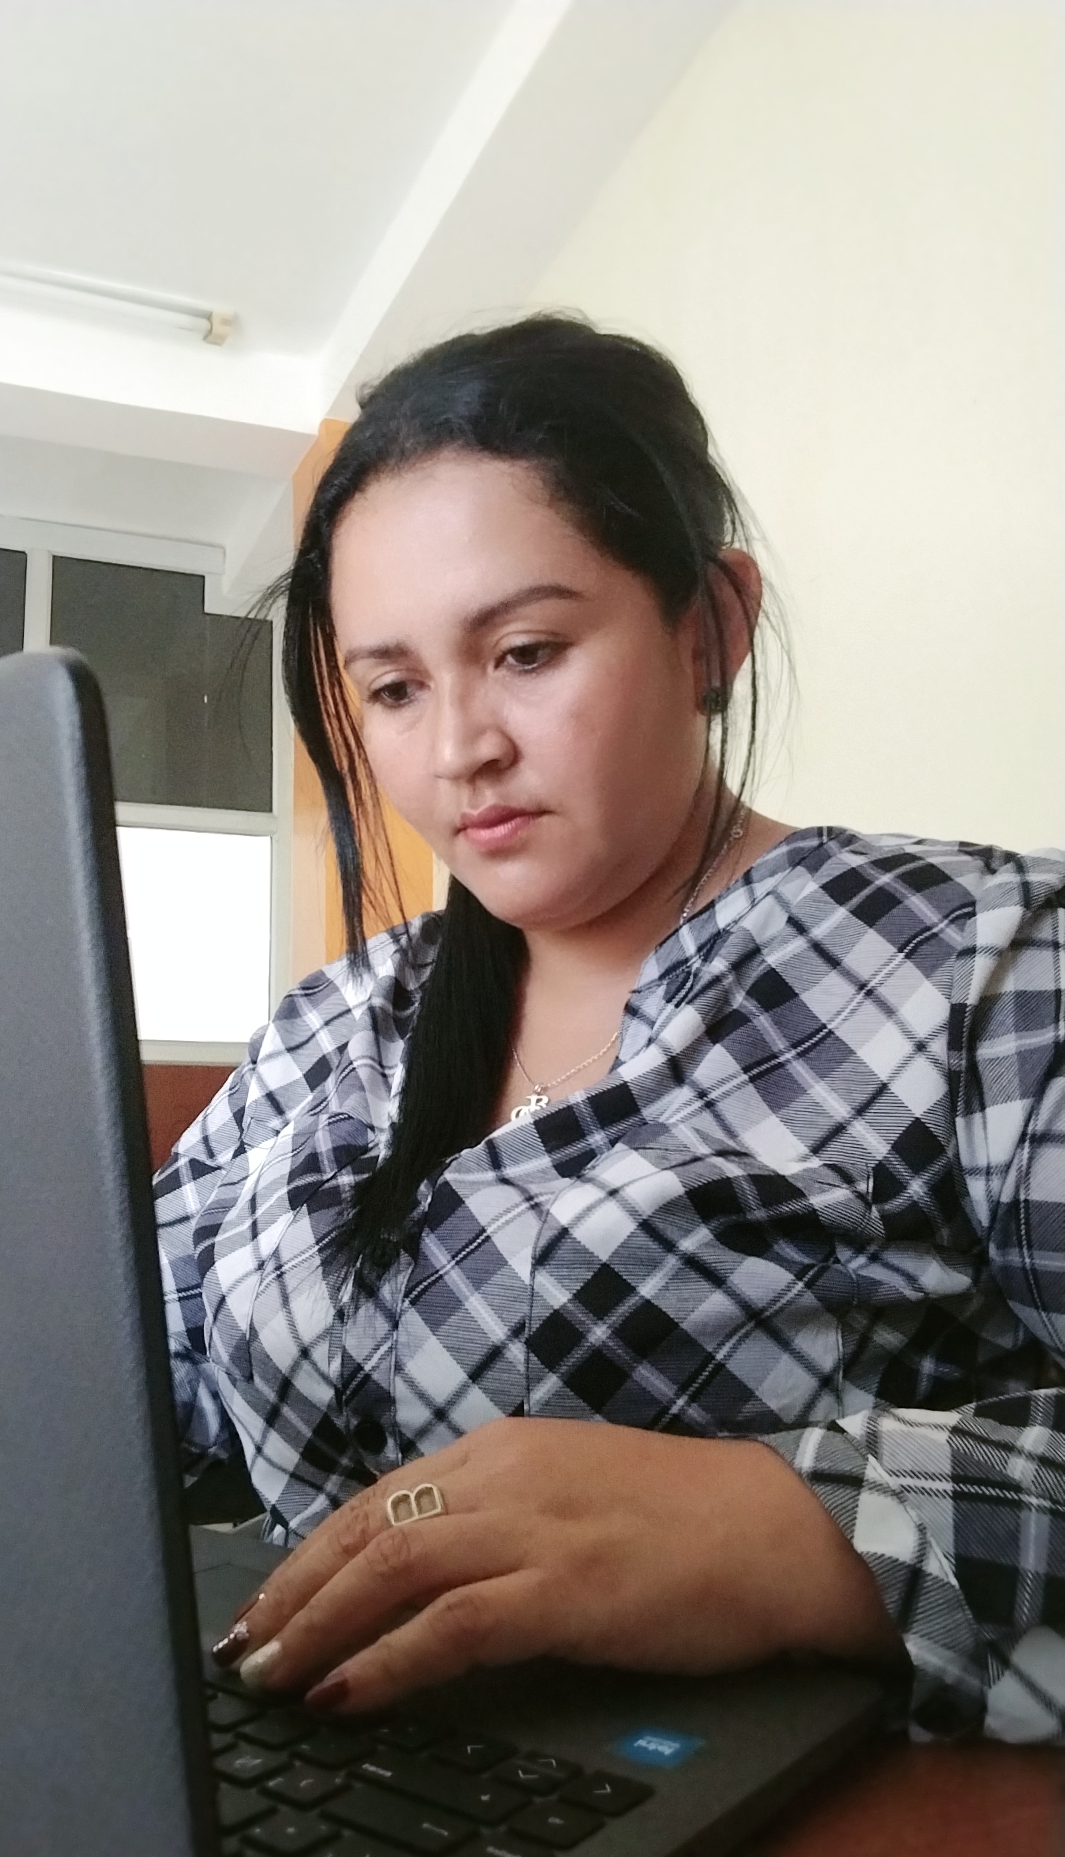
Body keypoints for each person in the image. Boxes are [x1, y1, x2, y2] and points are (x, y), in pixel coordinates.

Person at [158, 314, 1065, 1743]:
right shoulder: (336, 1028)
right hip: (297, 1794)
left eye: (526, 651)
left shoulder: (984, 964)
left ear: (712, 626)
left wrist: (790, 1524)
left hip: (769, 1826)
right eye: (393, 688)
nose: (459, 748)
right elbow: (114, 1355)